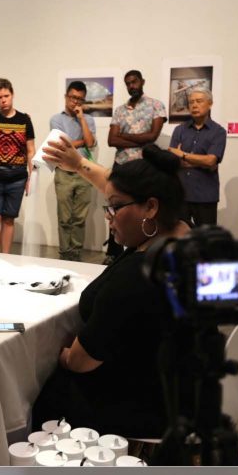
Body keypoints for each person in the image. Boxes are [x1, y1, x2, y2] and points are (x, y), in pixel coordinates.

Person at [30, 136, 187, 439]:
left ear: (151, 207)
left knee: (36, 390)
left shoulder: (134, 277)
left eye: (113, 209)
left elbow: (80, 361)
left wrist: (52, 354)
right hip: (179, 388)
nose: (109, 219)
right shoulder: (182, 233)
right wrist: (79, 165)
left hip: (137, 405)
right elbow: (121, 190)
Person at [105, 70, 167, 261]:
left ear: (142, 81)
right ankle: (114, 254)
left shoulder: (156, 105)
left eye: (134, 82)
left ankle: (144, 251)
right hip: (121, 166)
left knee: (142, 209)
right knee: (116, 209)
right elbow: (110, 140)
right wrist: (140, 140)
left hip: (143, 168)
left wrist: (123, 136)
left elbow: (152, 136)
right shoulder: (120, 110)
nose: (132, 86)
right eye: (128, 83)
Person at [0, 78, 35, 253]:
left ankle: (5, 258)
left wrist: (31, 177)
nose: (3, 100)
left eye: (6, 96)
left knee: (9, 219)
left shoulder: (24, 120)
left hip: (17, 177)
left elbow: (31, 150)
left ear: (12, 95)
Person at [49, 80, 97, 261]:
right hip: (63, 171)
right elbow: (60, 144)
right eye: (72, 97)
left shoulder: (89, 119)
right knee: (64, 218)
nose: (75, 102)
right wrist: (80, 141)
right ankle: (64, 254)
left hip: (85, 172)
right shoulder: (56, 119)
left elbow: (90, 143)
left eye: (79, 99)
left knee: (79, 218)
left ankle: (76, 255)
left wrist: (81, 118)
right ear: (66, 97)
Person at [168, 89, 227, 226]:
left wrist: (183, 155)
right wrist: (202, 162)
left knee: (206, 241)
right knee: (179, 239)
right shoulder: (180, 130)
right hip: (181, 194)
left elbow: (211, 160)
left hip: (205, 195)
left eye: (199, 101)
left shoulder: (218, 132)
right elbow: (172, 158)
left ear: (210, 104)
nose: (194, 105)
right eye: (191, 102)